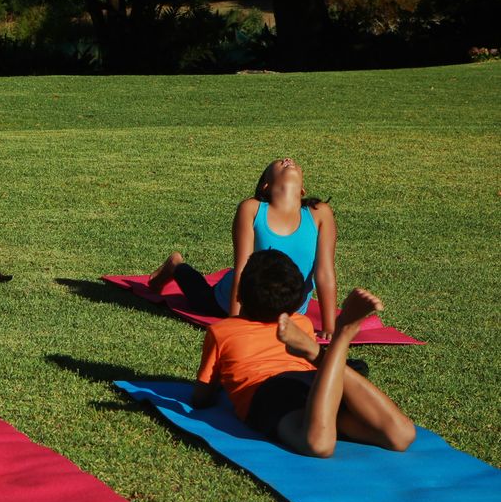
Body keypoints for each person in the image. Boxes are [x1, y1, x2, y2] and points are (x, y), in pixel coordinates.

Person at [191, 250, 415, 457]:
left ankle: (341, 336)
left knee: (318, 444)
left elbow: (201, 398)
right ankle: (323, 353)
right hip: (316, 383)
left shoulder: (222, 331)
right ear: (296, 301)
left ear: (238, 294)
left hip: (267, 393)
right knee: (401, 436)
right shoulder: (300, 324)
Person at [149, 158, 338, 338]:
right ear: (266, 186)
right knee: (202, 299)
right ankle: (176, 266)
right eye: (279, 163)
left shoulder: (319, 213)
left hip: (290, 307)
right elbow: (242, 269)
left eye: (292, 163)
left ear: (303, 189)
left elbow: (325, 272)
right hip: (248, 301)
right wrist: (234, 323)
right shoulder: (252, 209)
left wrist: (329, 327)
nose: (287, 160)